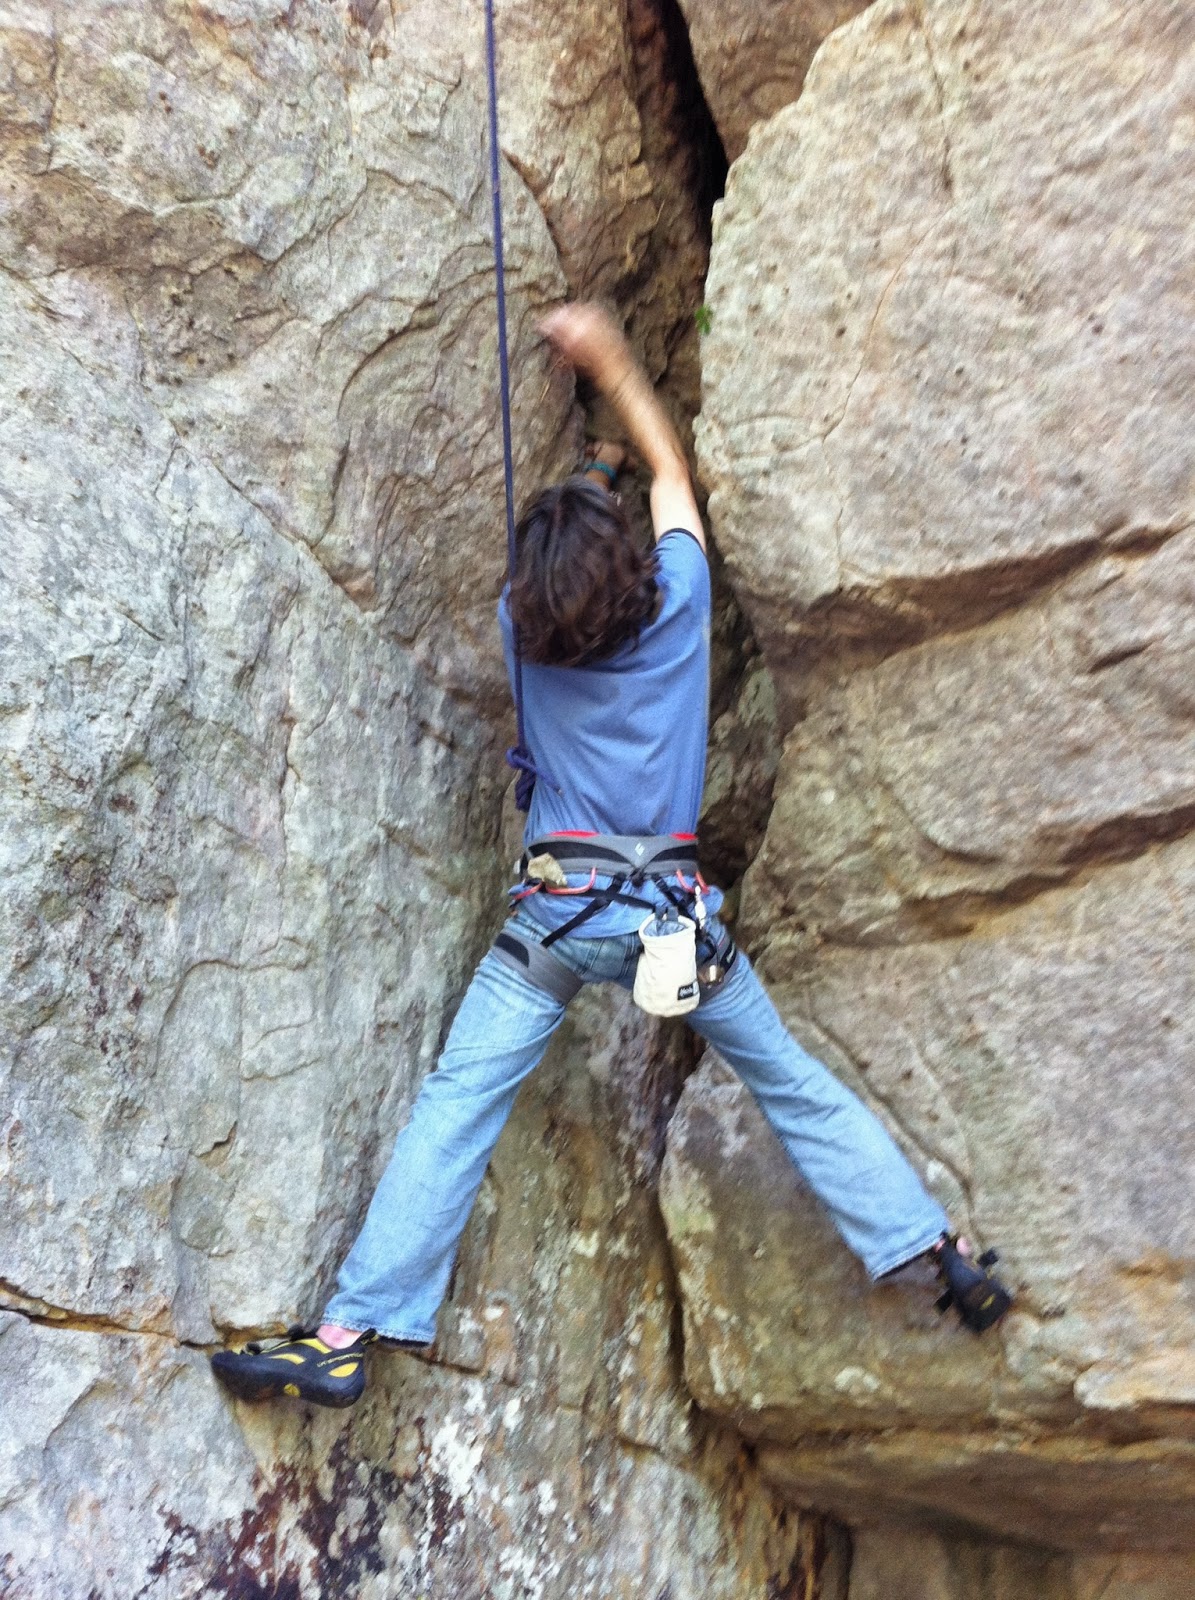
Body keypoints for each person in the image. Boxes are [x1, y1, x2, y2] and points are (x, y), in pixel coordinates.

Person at [211, 303, 1011, 1409]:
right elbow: (671, 472)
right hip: (674, 925)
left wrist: (581, 470)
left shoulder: (517, 631)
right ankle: (941, 1255)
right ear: (633, 566)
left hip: (554, 923)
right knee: (791, 1084)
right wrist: (615, 371)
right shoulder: (679, 607)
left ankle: (346, 1332)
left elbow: (560, 588)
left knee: (457, 1103)